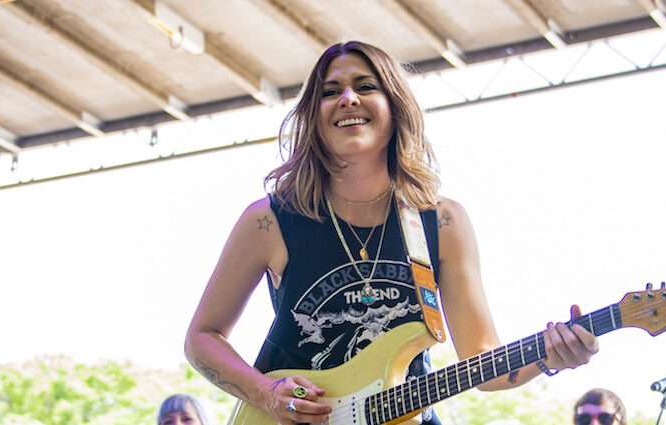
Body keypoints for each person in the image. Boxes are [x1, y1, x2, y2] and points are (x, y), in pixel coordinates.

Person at [183, 40, 599, 425]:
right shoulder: (269, 221)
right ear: (314, 116)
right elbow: (202, 337)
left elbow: (483, 363)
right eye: (331, 91)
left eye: (366, 86)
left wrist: (550, 356)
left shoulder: (441, 223)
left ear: (394, 105)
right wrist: (266, 392)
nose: (348, 98)